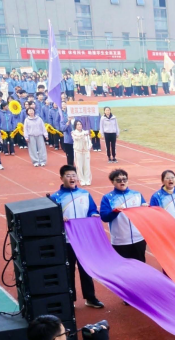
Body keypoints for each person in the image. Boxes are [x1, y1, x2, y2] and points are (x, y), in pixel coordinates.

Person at [50, 166, 105, 309]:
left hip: (83, 239)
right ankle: (70, 299)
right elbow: (51, 218)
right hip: (66, 240)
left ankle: (90, 298)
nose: (72, 178)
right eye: (68, 175)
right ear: (61, 178)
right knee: (68, 271)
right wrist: (59, 218)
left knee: (86, 269)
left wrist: (93, 214)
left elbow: (92, 209)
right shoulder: (55, 197)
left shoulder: (85, 194)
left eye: (74, 175)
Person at [99, 169, 148, 261]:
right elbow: (104, 217)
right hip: (120, 241)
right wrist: (115, 212)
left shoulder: (137, 195)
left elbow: (144, 215)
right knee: (123, 267)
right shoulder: (107, 198)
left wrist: (146, 209)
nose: (122, 182)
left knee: (140, 265)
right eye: (118, 180)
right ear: (112, 182)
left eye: (124, 179)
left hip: (139, 238)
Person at [71, 120, 92, 185]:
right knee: (79, 166)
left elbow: (89, 141)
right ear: (75, 126)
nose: (79, 125)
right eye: (78, 124)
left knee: (87, 166)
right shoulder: (73, 132)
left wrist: (89, 147)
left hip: (86, 152)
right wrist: (84, 134)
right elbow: (77, 137)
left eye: (80, 124)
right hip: (78, 151)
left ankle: (87, 179)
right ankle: (81, 180)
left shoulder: (85, 132)